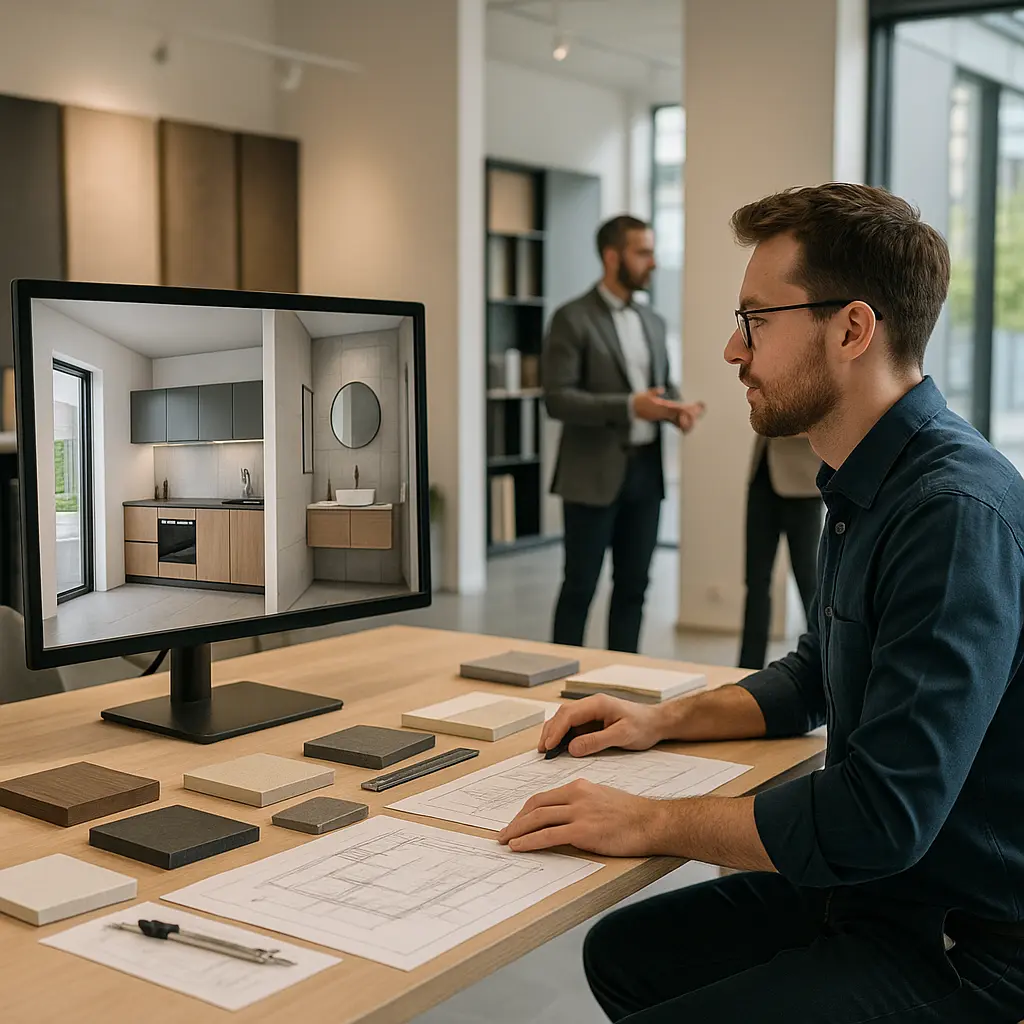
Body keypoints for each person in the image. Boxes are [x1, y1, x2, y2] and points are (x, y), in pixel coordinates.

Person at [498, 183, 1024, 1022]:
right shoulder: (868, 481)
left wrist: (649, 822)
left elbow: (878, 818)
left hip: (961, 943)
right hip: (883, 894)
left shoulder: (951, 514)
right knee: (625, 952)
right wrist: (660, 721)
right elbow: (820, 669)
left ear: (852, 329)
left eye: (756, 321)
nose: (731, 350)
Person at [542, 215, 704, 653]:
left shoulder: (652, 321)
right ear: (612, 256)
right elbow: (556, 399)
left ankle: (621, 678)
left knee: (634, 589)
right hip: (590, 476)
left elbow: (661, 386)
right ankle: (560, 679)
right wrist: (630, 405)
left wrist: (675, 409)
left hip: (645, 475)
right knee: (580, 588)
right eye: (643, 252)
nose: (653, 262)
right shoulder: (571, 318)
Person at [737, 432, 823, 669]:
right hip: (761, 479)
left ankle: (825, 666)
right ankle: (747, 670)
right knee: (755, 584)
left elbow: (818, 418)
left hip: (803, 487)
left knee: (809, 584)